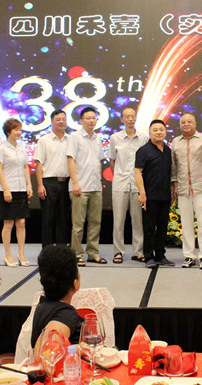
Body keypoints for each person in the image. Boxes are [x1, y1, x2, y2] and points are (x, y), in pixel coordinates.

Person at [172, 113, 202, 270]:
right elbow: (174, 166)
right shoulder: (176, 142)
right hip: (183, 188)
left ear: (195, 123)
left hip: (201, 187)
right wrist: (175, 185)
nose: (186, 124)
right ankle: (189, 255)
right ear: (180, 125)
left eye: (189, 121)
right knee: (186, 224)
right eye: (183, 122)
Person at [108, 107, 149, 264]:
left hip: (138, 184)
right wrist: (118, 175)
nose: (130, 119)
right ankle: (118, 251)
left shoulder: (144, 138)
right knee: (118, 220)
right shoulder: (115, 138)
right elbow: (112, 160)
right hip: (120, 183)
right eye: (127, 116)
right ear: (122, 119)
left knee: (138, 220)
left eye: (133, 116)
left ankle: (138, 251)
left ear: (136, 118)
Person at [67, 106, 107, 265]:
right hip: (80, 187)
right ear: (81, 120)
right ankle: (77, 254)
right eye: (88, 118)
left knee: (95, 222)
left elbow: (99, 161)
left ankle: (93, 253)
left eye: (94, 118)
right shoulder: (75, 137)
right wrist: (75, 183)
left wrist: (100, 181)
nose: (91, 121)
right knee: (78, 224)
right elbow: (70, 160)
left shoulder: (97, 138)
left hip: (95, 186)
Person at [31, 244, 83, 361]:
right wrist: (79, 348)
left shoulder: (43, 305)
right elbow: (42, 354)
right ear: (75, 284)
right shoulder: (66, 314)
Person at [135, 119, 175, 268]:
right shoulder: (143, 150)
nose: (159, 132)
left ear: (165, 132)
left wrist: (172, 191)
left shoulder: (168, 150)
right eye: (155, 130)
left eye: (161, 130)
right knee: (149, 228)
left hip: (165, 195)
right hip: (149, 196)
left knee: (163, 227)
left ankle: (160, 255)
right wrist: (142, 193)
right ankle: (148, 257)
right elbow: (137, 172)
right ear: (150, 133)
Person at [0, 117, 33, 267]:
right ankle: (8, 254)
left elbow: (25, 167)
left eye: (20, 130)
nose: (19, 132)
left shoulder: (22, 148)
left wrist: (29, 185)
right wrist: (6, 189)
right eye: (16, 129)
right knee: (9, 223)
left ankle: (21, 254)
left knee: (21, 222)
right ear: (8, 132)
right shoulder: (1, 149)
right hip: (7, 189)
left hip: (21, 189)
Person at [34, 109, 72, 246]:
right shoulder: (44, 140)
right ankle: (47, 250)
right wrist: (40, 185)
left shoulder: (71, 140)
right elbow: (39, 164)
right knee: (48, 218)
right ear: (51, 122)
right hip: (49, 183)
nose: (61, 122)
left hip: (67, 183)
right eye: (58, 119)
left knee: (64, 219)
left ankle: (62, 250)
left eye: (64, 119)